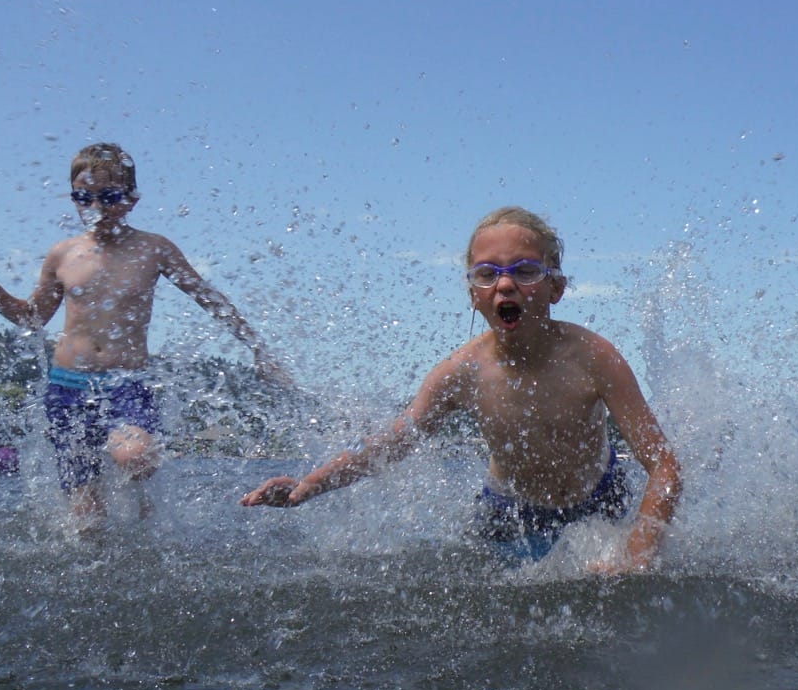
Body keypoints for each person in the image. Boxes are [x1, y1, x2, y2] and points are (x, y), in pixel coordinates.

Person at [241, 206, 682, 573]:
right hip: (509, 514)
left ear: (556, 288)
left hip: (600, 499)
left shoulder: (593, 357)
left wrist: (636, 555)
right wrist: (308, 486)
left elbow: (664, 465)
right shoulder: (462, 372)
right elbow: (392, 444)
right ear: (474, 294)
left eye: (525, 270)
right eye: (487, 274)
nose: (505, 284)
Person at [0, 142, 288, 524]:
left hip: (126, 384)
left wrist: (256, 348)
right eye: (84, 197)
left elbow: (209, 298)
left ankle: (136, 496)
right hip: (67, 388)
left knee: (138, 459)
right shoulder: (62, 254)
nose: (96, 205)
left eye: (109, 196)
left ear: (132, 199)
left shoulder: (153, 249)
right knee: (87, 524)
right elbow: (32, 318)